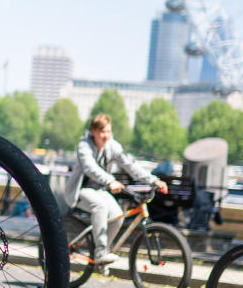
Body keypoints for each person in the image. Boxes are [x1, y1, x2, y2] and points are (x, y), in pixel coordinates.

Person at [63, 113, 168, 264]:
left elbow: (130, 165)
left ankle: (102, 253)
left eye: (108, 131)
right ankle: (99, 253)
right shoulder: (84, 146)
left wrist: (154, 180)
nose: (105, 136)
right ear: (93, 132)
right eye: (102, 132)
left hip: (100, 191)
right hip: (80, 191)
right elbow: (89, 168)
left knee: (118, 216)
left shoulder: (113, 146)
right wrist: (110, 181)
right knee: (100, 207)